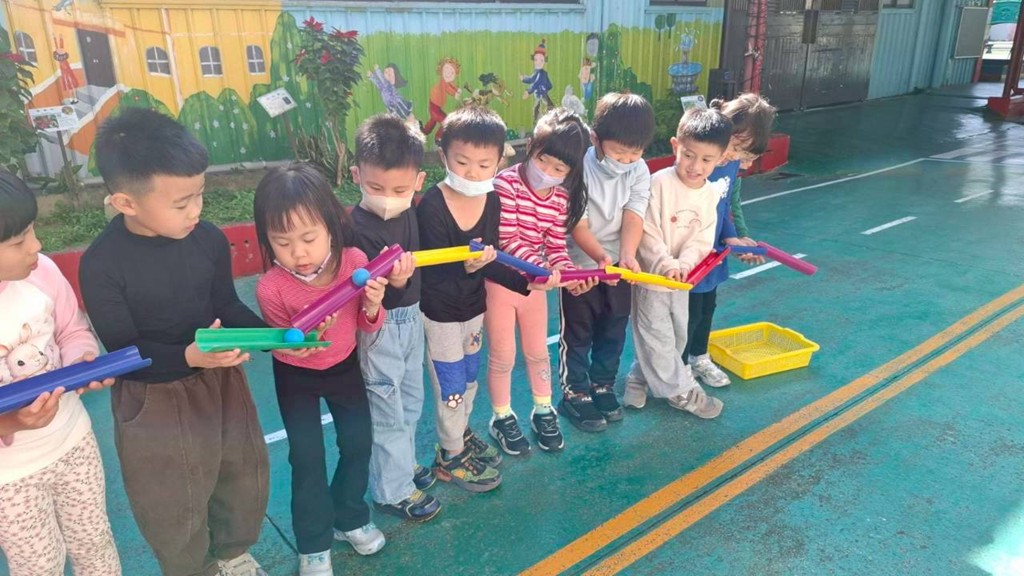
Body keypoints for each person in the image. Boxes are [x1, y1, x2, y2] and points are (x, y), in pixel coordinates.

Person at [80, 108, 271, 576]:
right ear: (126, 202)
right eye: (181, 203)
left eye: (199, 194)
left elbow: (227, 305)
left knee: (241, 473)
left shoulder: (208, 240)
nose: (196, 210)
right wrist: (189, 355)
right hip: (153, 399)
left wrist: (279, 338)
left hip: (221, 381)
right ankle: (192, 569)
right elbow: (124, 353)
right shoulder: (102, 265)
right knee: (171, 499)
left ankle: (232, 554)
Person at [254, 163, 402, 575]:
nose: (298, 253)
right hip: (295, 376)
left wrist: (373, 303)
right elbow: (281, 345)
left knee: (357, 442)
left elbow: (367, 324)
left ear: (331, 227)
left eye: (308, 238)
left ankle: (348, 516)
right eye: (282, 242)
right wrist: (297, 342)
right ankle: (313, 544)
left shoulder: (355, 264)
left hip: (343, 367)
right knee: (306, 458)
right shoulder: (271, 287)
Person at [418, 106, 556, 492]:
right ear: (443, 156)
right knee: (450, 387)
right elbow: (430, 273)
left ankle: (460, 435)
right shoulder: (432, 205)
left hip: (473, 310)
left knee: (468, 378)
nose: (472, 173)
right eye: (461, 162)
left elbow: (491, 261)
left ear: (499, 162)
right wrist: (468, 267)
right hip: (441, 315)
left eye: (483, 165)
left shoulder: (491, 199)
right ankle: (449, 456)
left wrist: (528, 282)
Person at [0, 170, 121, 576]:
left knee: (95, 543)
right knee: (38, 565)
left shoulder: (43, 273)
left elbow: (72, 330)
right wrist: (14, 421)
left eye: (32, 230)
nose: (36, 245)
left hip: (73, 442)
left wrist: (80, 362)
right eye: (18, 241)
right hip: (9, 476)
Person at [348, 114, 441, 522]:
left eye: (400, 190)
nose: (388, 198)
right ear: (356, 175)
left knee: (410, 399)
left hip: (411, 318)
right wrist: (396, 284)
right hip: (379, 327)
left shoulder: (410, 211)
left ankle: (402, 463)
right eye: (376, 188)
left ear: (418, 181)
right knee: (386, 405)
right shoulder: (354, 228)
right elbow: (364, 299)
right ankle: (392, 489)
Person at [485, 107, 590, 455]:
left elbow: (556, 245)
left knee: (537, 352)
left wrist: (567, 274)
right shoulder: (506, 184)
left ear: (570, 172)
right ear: (531, 146)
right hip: (502, 284)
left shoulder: (560, 198)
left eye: (559, 169)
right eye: (543, 160)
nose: (547, 172)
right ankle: (501, 416)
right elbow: (508, 239)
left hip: (536, 286)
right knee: (503, 355)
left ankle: (543, 410)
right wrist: (545, 269)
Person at [624, 108, 733, 418]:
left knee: (675, 336)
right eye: (688, 155)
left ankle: (638, 376)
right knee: (656, 335)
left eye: (706, 160)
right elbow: (646, 230)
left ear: (721, 158)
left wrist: (684, 265)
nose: (695, 166)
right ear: (676, 146)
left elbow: (702, 238)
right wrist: (665, 263)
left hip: (682, 280)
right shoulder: (658, 183)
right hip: (651, 279)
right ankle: (681, 393)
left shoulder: (710, 194)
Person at [560, 92, 655, 433]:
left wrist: (626, 256)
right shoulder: (578, 167)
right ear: (595, 139)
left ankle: (602, 385)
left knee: (614, 327)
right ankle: (574, 392)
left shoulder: (639, 170)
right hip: (580, 265)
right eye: (619, 153)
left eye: (635, 153)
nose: (626, 161)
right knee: (578, 331)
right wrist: (600, 259)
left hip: (618, 263)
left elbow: (634, 214)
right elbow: (577, 222)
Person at [684, 94, 777, 389]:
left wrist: (736, 238)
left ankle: (699, 356)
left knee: (706, 308)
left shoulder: (730, 164)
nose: (740, 160)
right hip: (687, 254)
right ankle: (679, 367)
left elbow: (727, 204)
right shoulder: (700, 164)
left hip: (713, 252)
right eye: (737, 148)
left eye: (746, 154)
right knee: (687, 315)